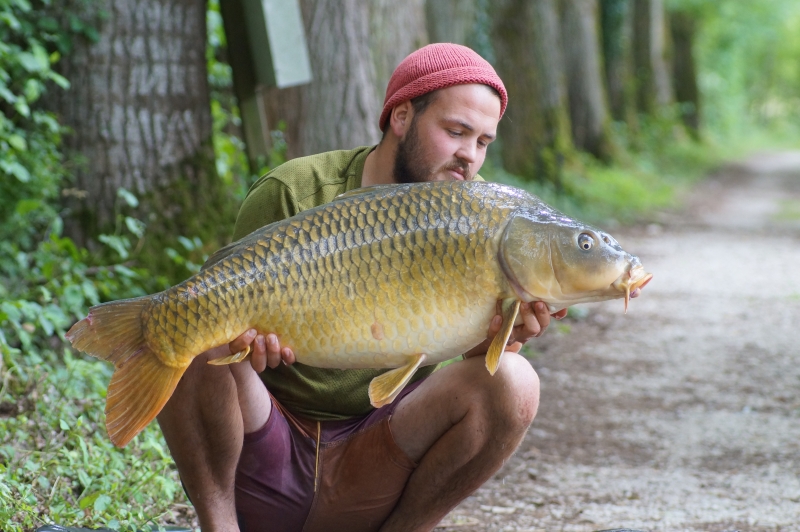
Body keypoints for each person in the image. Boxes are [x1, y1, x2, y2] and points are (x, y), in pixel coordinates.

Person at [157, 43, 566, 532]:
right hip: (266, 448)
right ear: (400, 116)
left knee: (514, 381)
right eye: (455, 131)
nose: (468, 157)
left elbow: (463, 369)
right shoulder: (294, 191)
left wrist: (501, 335)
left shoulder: (475, 225)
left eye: (482, 142)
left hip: (373, 466)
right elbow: (231, 304)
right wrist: (246, 344)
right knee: (193, 328)